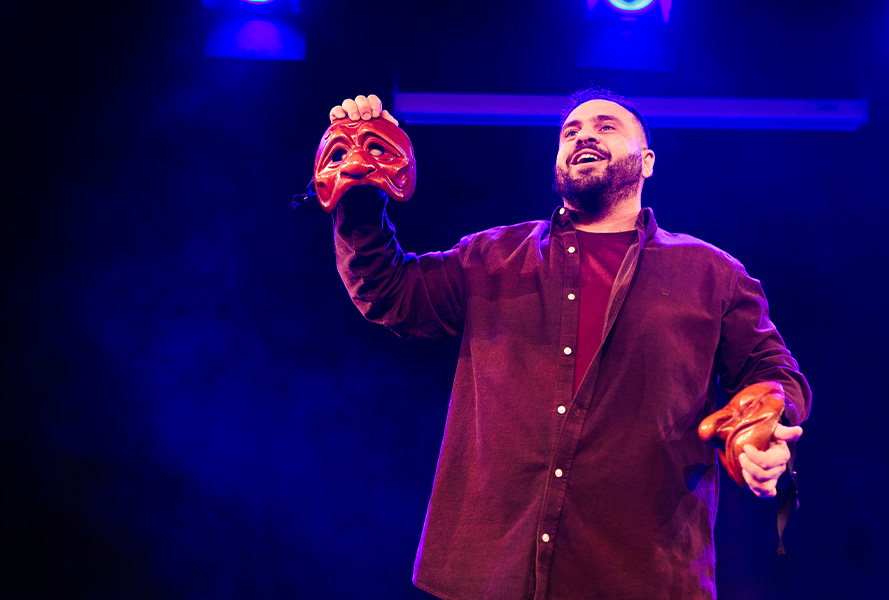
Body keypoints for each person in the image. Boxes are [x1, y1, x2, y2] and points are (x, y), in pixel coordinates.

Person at [325, 89, 811, 600]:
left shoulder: (712, 274)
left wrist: (768, 423)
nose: (583, 135)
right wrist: (359, 189)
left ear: (646, 162)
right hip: (489, 574)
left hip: (640, 574)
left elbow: (773, 371)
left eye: (605, 126)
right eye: (570, 132)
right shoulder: (491, 256)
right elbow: (390, 292)